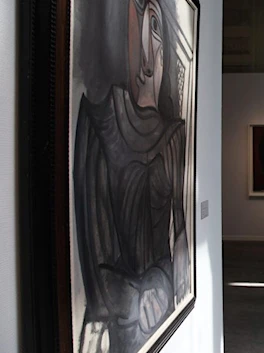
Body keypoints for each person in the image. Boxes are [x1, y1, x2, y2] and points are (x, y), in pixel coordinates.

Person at [73, 0, 190, 351]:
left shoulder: (173, 135)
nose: (148, 42)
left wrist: (161, 281)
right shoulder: (99, 123)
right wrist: (136, 295)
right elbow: (96, 264)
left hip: (161, 308)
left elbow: (180, 237)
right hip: (122, 327)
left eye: (156, 26)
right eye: (139, 17)